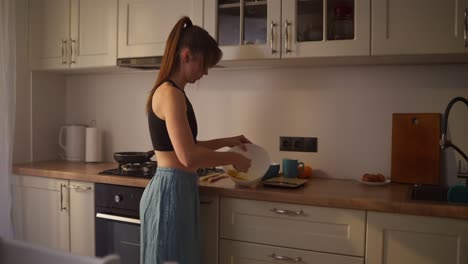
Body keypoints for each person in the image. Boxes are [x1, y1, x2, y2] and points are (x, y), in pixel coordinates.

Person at [140, 16, 252, 264]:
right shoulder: (170, 94)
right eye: (204, 64)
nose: (206, 72)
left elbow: (189, 146)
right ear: (187, 55)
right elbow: (188, 157)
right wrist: (233, 158)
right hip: (170, 192)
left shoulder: (174, 93)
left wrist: (228, 141)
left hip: (177, 189)